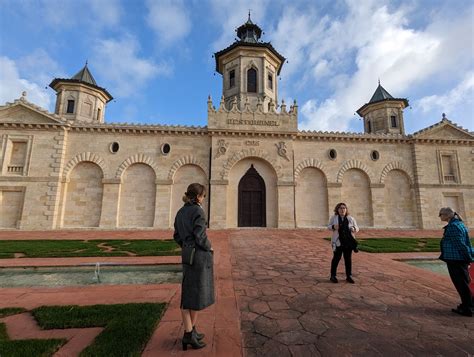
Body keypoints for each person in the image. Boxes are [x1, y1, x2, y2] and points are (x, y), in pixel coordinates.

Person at [173, 183, 215, 350]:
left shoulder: (181, 212)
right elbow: (200, 236)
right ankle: (188, 334)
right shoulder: (198, 211)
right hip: (198, 256)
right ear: (198, 197)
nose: (204, 199)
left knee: (194, 292)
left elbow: (176, 235)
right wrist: (209, 246)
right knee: (192, 295)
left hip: (187, 254)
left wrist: (185, 246)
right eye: (203, 196)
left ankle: (192, 330)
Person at [438, 207, 473, 317]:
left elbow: (460, 244)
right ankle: (468, 305)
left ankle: (467, 308)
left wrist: (468, 258)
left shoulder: (453, 226)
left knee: (461, 283)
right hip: (457, 258)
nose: (440, 217)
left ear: (448, 215)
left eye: (441, 214)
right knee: (463, 282)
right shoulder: (458, 224)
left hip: (456, 259)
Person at [328, 202, 359, 284]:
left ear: (346, 209)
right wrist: (333, 227)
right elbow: (328, 226)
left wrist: (353, 228)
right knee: (336, 259)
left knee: (348, 260)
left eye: (344, 208)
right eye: (341, 208)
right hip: (338, 242)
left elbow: (357, 227)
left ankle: (349, 276)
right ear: (337, 209)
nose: (342, 209)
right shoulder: (334, 218)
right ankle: (333, 276)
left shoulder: (350, 218)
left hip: (348, 242)